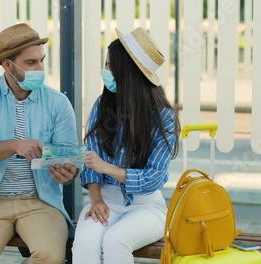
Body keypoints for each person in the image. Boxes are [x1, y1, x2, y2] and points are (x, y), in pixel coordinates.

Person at [0, 23, 79, 264]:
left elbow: (71, 161)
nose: (40, 69)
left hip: (40, 202)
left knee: (50, 257)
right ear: (7, 65)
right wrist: (15, 145)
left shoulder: (58, 103)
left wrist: (68, 173)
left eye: (41, 61)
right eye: (31, 63)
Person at [72, 27, 181, 264]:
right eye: (106, 64)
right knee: (85, 243)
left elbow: (153, 178)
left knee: (115, 241)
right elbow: (91, 162)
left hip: (146, 207)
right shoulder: (103, 106)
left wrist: (107, 168)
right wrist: (96, 199)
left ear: (128, 73)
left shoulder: (164, 119)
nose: (106, 71)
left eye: (111, 66)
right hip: (104, 199)